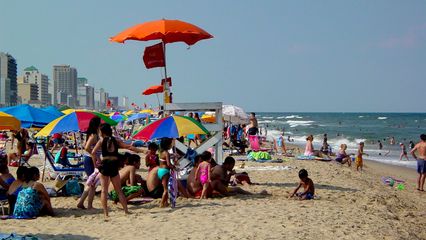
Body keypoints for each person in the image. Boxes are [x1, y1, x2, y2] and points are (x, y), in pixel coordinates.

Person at [91, 123, 146, 217]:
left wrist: (96, 163)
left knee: (104, 190)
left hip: (105, 166)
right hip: (113, 166)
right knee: (119, 190)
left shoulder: (101, 141)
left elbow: (93, 152)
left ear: (102, 132)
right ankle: (126, 211)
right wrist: (142, 151)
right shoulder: (115, 140)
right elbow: (128, 147)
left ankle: (106, 213)